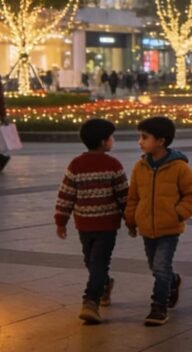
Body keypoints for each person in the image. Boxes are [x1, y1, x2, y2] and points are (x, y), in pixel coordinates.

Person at [125, 116, 192, 327]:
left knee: (160, 267)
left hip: (169, 228)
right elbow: (133, 197)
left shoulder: (179, 167)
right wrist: (131, 220)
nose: (140, 142)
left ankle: (158, 307)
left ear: (161, 141)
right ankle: (173, 280)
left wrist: (177, 214)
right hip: (146, 228)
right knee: (155, 266)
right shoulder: (140, 167)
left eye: (145, 137)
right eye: (140, 137)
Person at [55, 118, 129, 325]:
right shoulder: (77, 165)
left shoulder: (113, 165)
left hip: (107, 226)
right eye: (111, 137)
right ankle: (105, 284)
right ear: (104, 141)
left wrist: (130, 219)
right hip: (85, 225)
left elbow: (124, 196)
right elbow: (67, 194)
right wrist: (61, 220)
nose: (113, 141)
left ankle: (90, 302)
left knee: (98, 262)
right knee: (91, 261)